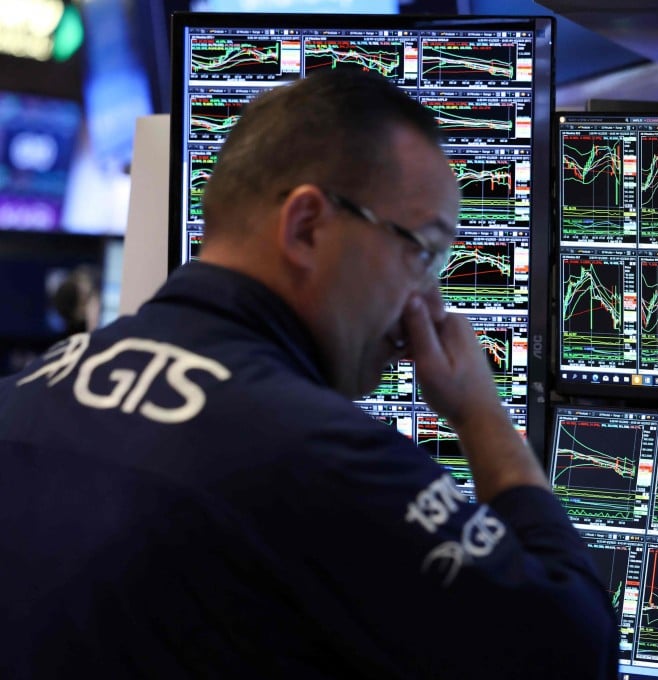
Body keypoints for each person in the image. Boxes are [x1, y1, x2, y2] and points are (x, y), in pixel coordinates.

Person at [0, 67, 617, 678]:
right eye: (421, 251)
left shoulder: (23, 396)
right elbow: (572, 651)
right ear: (306, 228)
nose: (426, 299)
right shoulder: (315, 453)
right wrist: (481, 415)